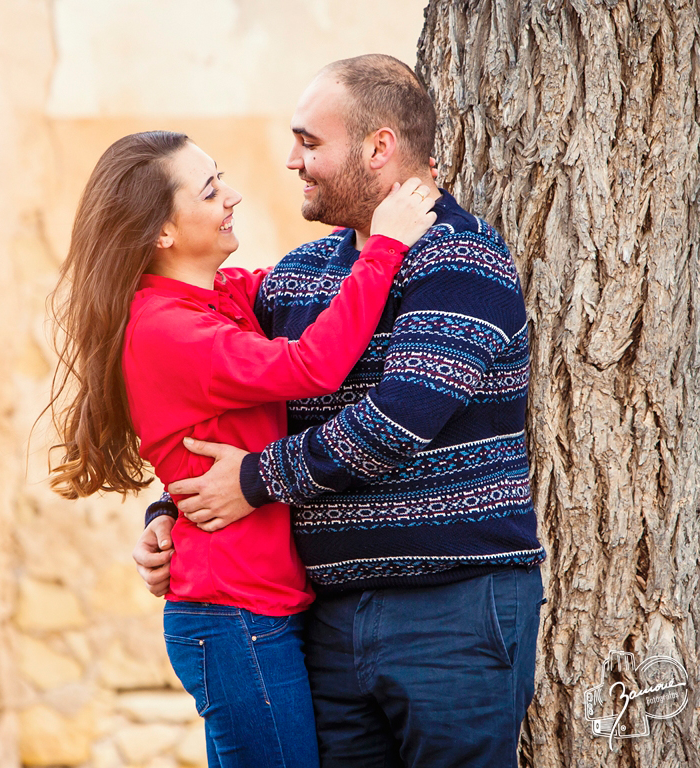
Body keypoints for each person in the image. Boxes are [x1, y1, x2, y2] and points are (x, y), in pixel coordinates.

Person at [135, 55, 547, 768]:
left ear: (379, 148)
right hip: (325, 619)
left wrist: (255, 481)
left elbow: (396, 423)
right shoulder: (299, 276)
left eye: (310, 142)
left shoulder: (459, 261)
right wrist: (175, 508)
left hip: (452, 612)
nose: (292, 161)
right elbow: (219, 401)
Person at [45, 129, 436, 767]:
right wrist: (387, 242)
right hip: (234, 618)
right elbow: (314, 365)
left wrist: (163, 512)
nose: (233, 195)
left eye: (220, 176)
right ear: (162, 233)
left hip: (261, 608)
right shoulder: (169, 329)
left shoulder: (220, 296)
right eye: (209, 190)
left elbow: (311, 295)